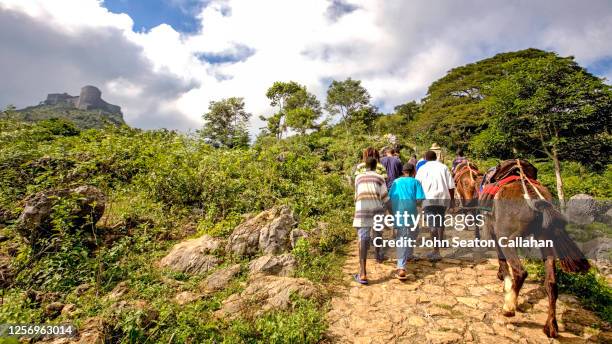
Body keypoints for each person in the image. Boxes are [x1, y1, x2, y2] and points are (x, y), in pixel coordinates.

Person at [352, 156, 390, 285]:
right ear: (376, 166)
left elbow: (356, 196)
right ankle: (378, 255)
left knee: (363, 239)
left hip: (362, 210)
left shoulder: (358, 178)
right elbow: (384, 197)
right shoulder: (380, 178)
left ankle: (363, 273)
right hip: (377, 209)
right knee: (378, 233)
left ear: (365, 166)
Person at [415, 150, 455, 261]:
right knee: (440, 221)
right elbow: (451, 186)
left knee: (432, 225)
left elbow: (417, 184)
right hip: (443, 199)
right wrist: (452, 201)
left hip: (428, 199)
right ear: (436, 157)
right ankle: (440, 241)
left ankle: (436, 251)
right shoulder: (443, 167)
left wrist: (417, 200)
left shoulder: (422, 169)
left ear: (425, 158)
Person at [389, 163, 425, 280]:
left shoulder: (396, 182)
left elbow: (390, 198)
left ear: (403, 171)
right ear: (414, 171)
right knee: (408, 236)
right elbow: (419, 199)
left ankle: (408, 255)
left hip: (399, 211)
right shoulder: (416, 182)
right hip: (412, 212)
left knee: (407, 235)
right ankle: (401, 267)